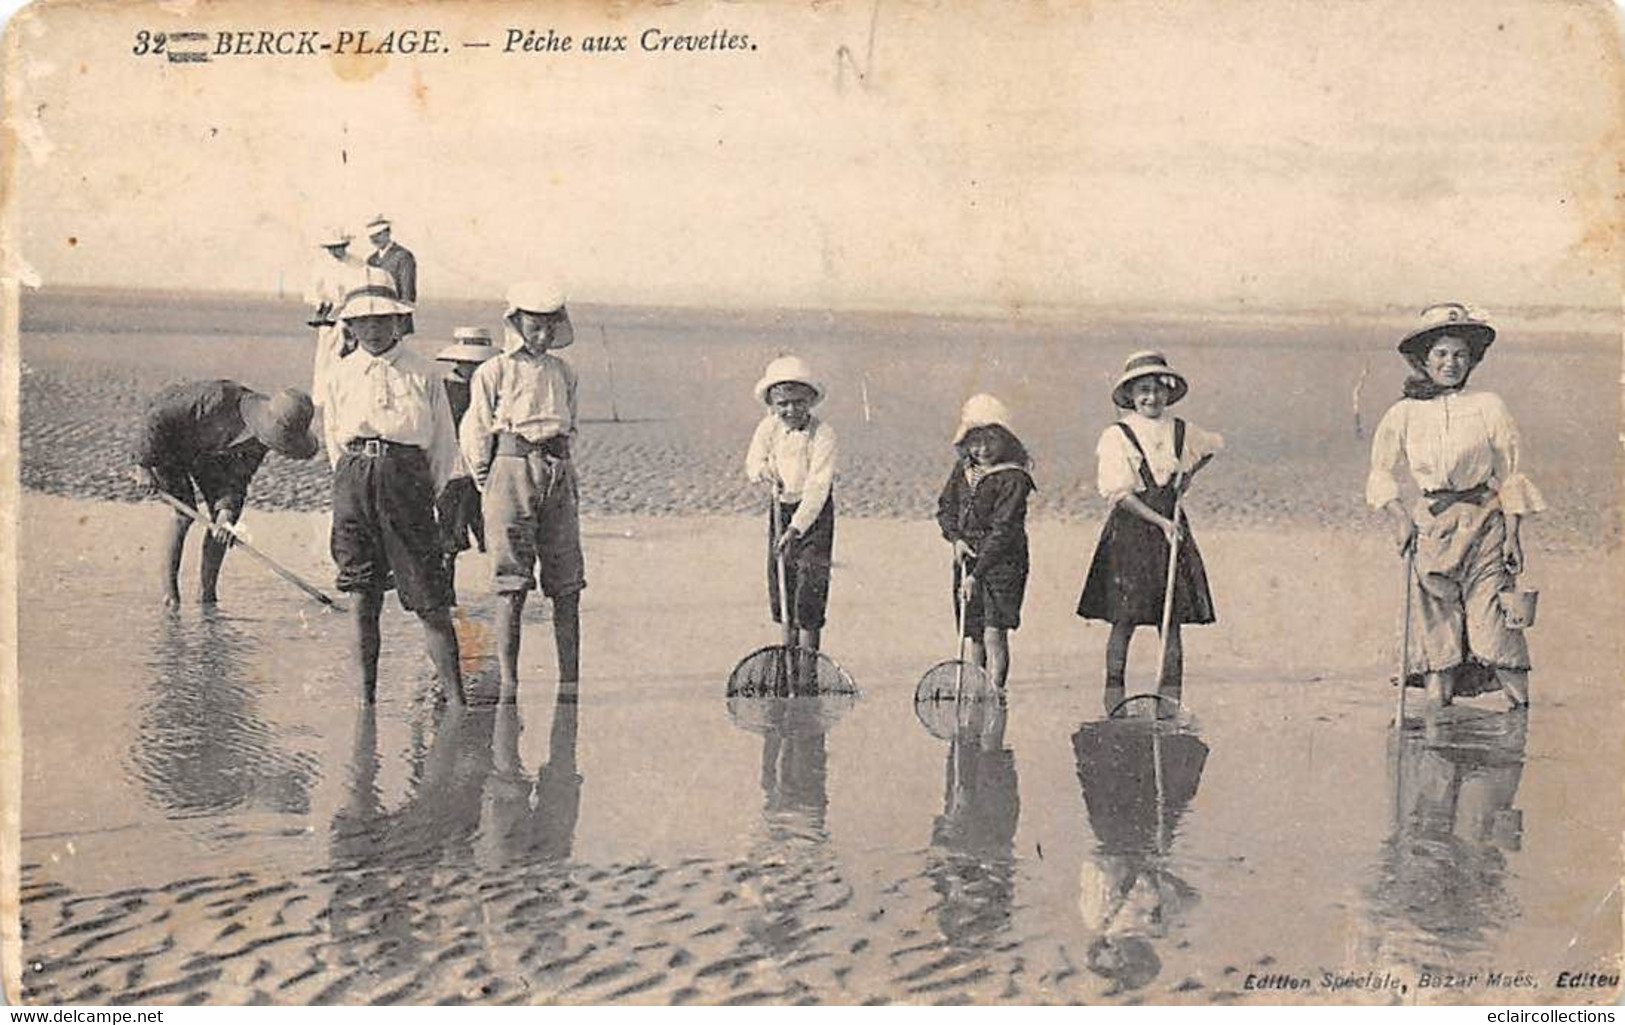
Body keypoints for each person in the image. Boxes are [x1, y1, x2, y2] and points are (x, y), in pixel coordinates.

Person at [1366, 303, 1544, 709]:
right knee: (1437, 638)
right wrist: (1399, 519)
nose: (1451, 363)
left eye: (1460, 355)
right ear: (1425, 359)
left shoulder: (1489, 406)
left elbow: (1512, 473)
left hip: (1485, 524)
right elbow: (1381, 473)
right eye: (1442, 354)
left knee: (1495, 627)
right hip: (1431, 529)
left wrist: (1514, 537)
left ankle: (1522, 721)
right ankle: (1437, 734)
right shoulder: (1403, 413)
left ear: (1472, 360)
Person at [320, 279, 465, 706]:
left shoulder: (423, 372)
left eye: (382, 320)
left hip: (408, 480)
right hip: (354, 478)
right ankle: (366, 702)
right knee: (362, 594)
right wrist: (355, 477)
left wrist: (420, 493)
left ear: (399, 321)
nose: (374, 330)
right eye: (364, 321)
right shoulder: (341, 373)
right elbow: (333, 440)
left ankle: (457, 701)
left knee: (429, 598)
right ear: (351, 326)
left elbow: (442, 444)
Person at [459, 282, 585, 702]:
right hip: (510, 468)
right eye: (534, 327)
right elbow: (475, 432)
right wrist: (489, 482)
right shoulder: (494, 371)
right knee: (511, 582)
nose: (543, 336)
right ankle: (510, 683)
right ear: (516, 324)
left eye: (550, 327)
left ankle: (569, 684)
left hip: (558, 471)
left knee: (567, 583)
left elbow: (571, 424)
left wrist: (561, 470)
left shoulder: (564, 372)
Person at [1077, 352, 1222, 710]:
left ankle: (1170, 698)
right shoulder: (1117, 435)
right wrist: (1160, 522)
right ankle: (1113, 697)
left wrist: (1185, 479)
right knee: (1123, 617)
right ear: (1130, 395)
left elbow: (1212, 447)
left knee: (1170, 619)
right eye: (1143, 391)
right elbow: (1118, 495)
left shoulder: (1181, 430)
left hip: (1172, 527)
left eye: (1157, 390)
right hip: (1131, 532)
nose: (1151, 398)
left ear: (1167, 392)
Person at [132, 380, 319, 607]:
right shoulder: (218, 399)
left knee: (225, 523)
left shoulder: (259, 442)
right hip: (169, 441)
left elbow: (238, 480)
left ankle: (206, 594)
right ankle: (170, 596)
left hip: (210, 455)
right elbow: (157, 417)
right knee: (184, 514)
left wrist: (225, 516)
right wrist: (143, 465)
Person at [935, 394, 1036, 692]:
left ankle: (995, 693)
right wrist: (955, 539)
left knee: (994, 632)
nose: (983, 449)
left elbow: (1004, 530)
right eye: (975, 441)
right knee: (974, 630)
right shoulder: (963, 469)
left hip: (1003, 562)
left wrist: (977, 574)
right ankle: (976, 692)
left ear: (1006, 439)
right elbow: (945, 508)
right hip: (967, 555)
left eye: (991, 440)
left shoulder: (1014, 478)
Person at [744, 355, 838, 656]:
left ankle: (808, 661)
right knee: (782, 578)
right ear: (772, 404)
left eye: (798, 402)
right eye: (782, 403)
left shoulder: (823, 434)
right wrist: (763, 472)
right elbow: (752, 463)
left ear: (810, 401)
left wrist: (796, 528)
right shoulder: (767, 429)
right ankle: (788, 656)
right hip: (780, 509)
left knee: (810, 581)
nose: (790, 409)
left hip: (814, 515)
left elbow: (818, 487)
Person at [434, 327, 499, 587]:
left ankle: (500, 588)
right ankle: (445, 591)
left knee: (489, 527)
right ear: (458, 361)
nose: (474, 368)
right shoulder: (443, 389)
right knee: (449, 532)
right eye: (470, 363)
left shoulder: (489, 388)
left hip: (483, 463)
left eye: (479, 363)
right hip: (454, 465)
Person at [364, 214, 417, 335]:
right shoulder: (371, 260)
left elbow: (408, 292)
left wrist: (401, 321)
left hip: (396, 320)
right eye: (371, 237)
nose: (374, 240)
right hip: (376, 321)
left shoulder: (403, 256)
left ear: (388, 233)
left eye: (378, 235)